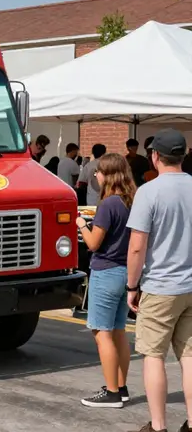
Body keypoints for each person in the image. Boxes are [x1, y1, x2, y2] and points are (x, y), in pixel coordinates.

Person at [124, 128, 192, 432]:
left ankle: (158, 428)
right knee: (190, 356)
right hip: (191, 285)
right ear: (184, 155)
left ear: (154, 156)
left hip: (161, 285)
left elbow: (137, 247)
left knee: (153, 355)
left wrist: (132, 286)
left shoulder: (148, 192)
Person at [77, 153, 135, 408]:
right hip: (126, 271)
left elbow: (93, 243)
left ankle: (111, 392)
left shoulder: (108, 204)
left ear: (108, 175)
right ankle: (121, 387)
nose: (96, 175)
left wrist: (81, 224)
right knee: (119, 331)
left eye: (98, 172)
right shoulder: (131, 201)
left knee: (102, 333)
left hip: (106, 271)